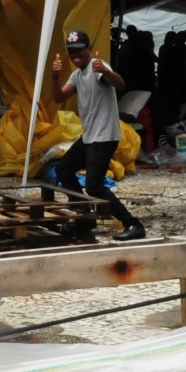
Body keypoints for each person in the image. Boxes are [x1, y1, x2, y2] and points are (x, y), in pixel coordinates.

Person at [49, 30, 145, 241]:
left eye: (80, 51)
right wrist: (55, 77)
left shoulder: (98, 68)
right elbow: (58, 97)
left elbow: (120, 84)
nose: (76, 56)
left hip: (104, 136)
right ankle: (86, 218)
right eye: (72, 52)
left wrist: (106, 71)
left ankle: (133, 224)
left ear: (89, 49)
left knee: (94, 185)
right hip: (89, 137)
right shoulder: (76, 75)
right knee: (63, 169)